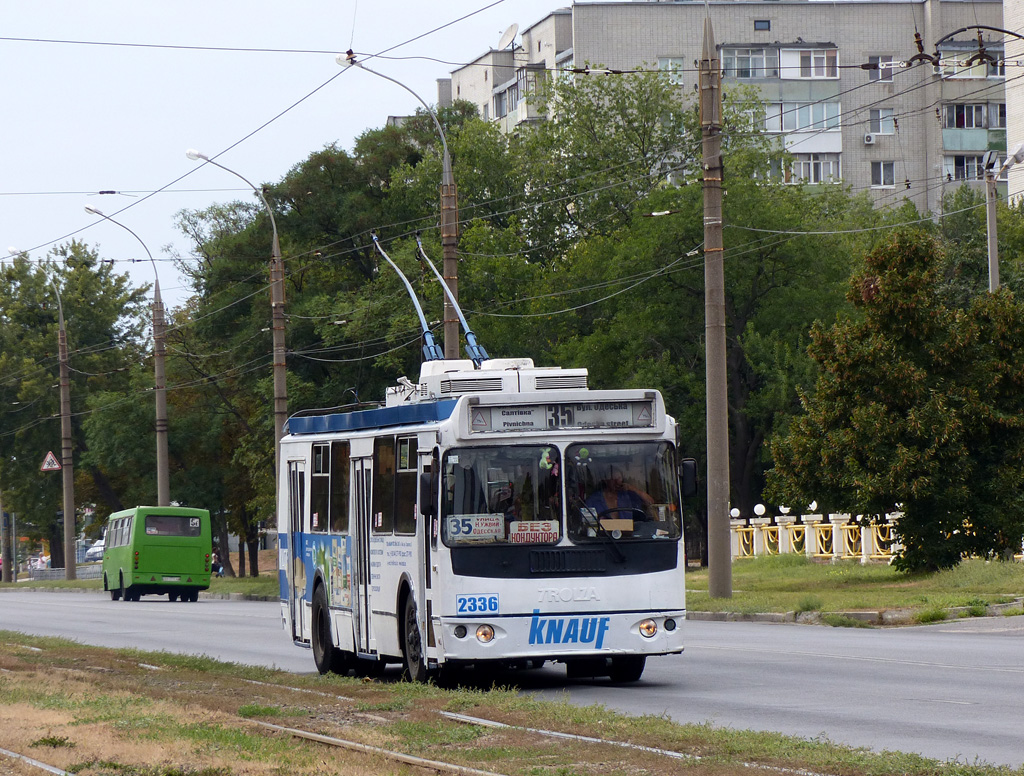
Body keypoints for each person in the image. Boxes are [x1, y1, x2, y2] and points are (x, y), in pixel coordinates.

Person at [585, 466, 653, 517]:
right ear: (605, 480)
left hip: (630, 534)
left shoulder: (629, 495)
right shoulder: (594, 499)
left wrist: (634, 489)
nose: (617, 482)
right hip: (602, 534)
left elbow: (650, 503)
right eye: (613, 479)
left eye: (619, 478)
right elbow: (586, 520)